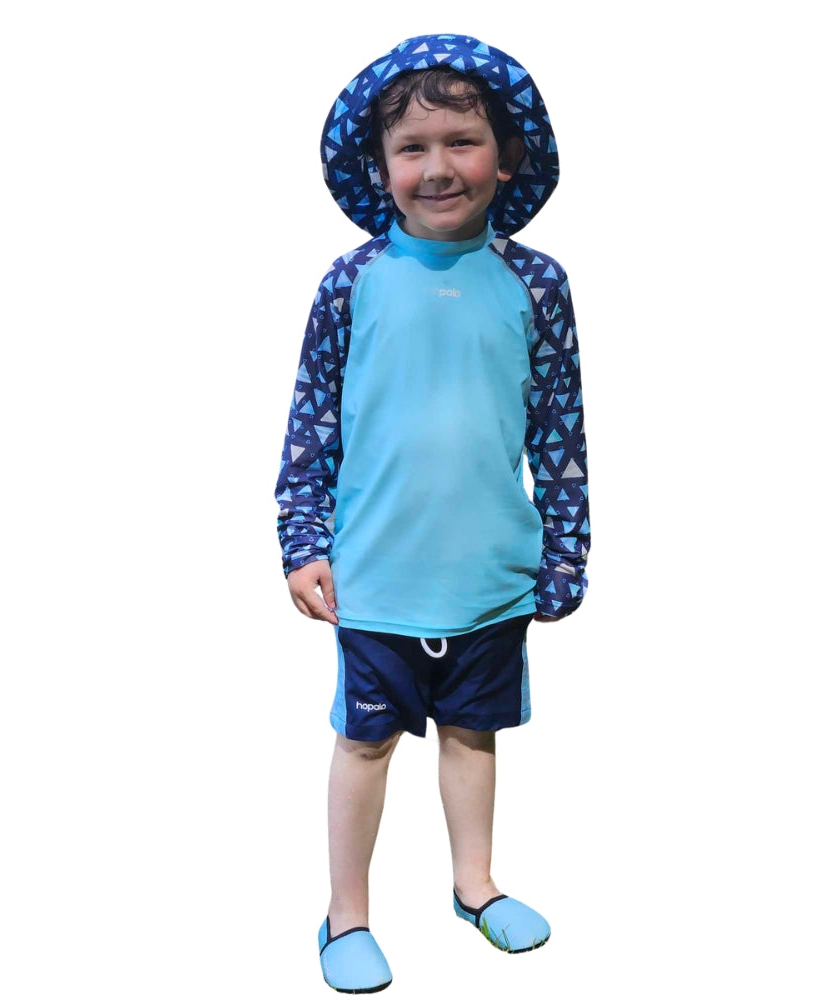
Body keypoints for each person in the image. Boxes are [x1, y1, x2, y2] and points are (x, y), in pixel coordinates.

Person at [274, 33, 590, 993]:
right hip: (375, 574)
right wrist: (302, 541)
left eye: (463, 141)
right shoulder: (351, 282)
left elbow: (561, 430)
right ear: (378, 167)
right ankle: (346, 913)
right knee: (364, 741)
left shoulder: (538, 285)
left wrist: (566, 551)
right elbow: (311, 423)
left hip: (490, 574)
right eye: (412, 148)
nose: (439, 167)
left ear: (509, 155)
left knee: (472, 736)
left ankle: (475, 885)